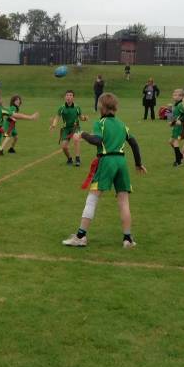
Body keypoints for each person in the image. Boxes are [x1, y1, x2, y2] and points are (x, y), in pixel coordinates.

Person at [62, 92, 146, 249]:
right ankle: (128, 239)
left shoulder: (100, 123)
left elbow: (97, 140)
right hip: (121, 162)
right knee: (123, 201)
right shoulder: (122, 124)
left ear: (101, 107)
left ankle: (80, 236)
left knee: (92, 198)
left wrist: (83, 134)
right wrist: (138, 163)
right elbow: (134, 143)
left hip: (107, 161)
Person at [50, 90, 87, 167]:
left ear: (73, 98)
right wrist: (53, 125)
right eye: (67, 95)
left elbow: (81, 117)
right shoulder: (61, 108)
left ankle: (77, 159)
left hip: (75, 128)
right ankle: (69, 159)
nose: (68, 97)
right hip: (66, 129)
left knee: (76, 138)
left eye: (70, 95)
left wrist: (85, 118)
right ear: (65, 97)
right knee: (64, 147)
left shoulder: (77, 107)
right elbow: (57, 118)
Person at [169, 88, 184, 166]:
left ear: (182, 97)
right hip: (176, 127)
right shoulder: (176, 104)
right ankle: (180, 156)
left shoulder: (181, 105)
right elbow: (176, 116)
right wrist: (172, 122)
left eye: (177, 95)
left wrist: (181, 121)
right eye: (174, 95)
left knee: (175, 142)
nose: (175, 96)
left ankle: (178, 161)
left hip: (180, 127)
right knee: (171, 142)